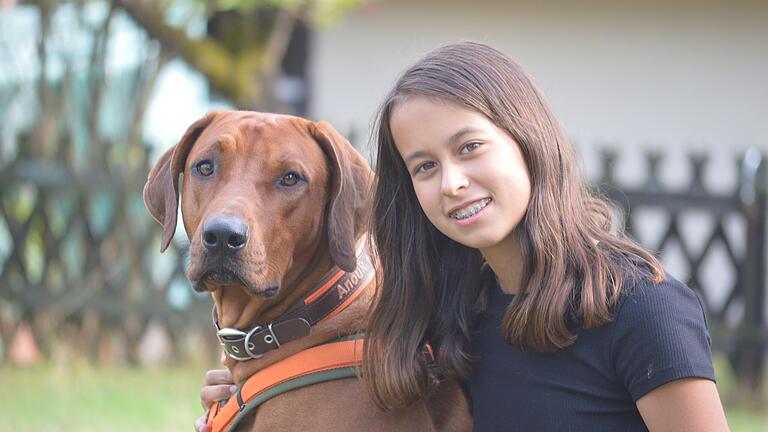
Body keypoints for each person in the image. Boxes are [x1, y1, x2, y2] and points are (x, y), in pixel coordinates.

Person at [196, 41, 729, 431]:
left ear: (528, 139)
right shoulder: (446, 317)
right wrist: (252, 391)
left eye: (470, 147)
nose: (452, 182)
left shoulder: (643, 309)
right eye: (424, 166)